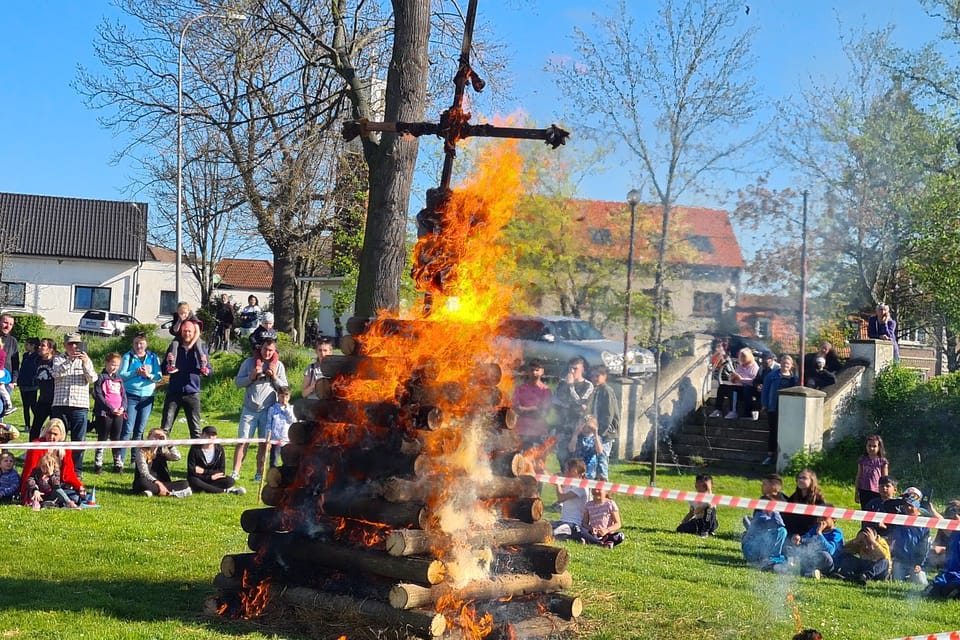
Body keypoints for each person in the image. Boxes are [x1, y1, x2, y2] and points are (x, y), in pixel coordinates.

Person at [232, 336, 287, 482]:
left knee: (264, 443)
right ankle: (235, 472)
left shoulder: (279, 366)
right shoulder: (249, 363)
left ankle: (259, 474)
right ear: (260, 348)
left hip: (268, 411)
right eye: (264, 349)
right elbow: (238, 382)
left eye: (270, 350)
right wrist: (250, 377)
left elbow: (285, 389)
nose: (267, 353)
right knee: (242, 442)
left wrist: (275, 377)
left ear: (274, 351)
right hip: (249, 410)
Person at [51, 332, 97, 476]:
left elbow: (92, 379)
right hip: (60, 404)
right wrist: (69, 361)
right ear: (65, 345)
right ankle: (57, 469)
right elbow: (56, 374)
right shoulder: (58, 358)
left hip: (80, 406)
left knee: (79, 440)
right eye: (71, 344)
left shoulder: (86, 360)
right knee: (58, 439)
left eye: (77, 343)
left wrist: (85, 363)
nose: (74, 346)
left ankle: (76, 471)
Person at [159, 320, 212, 439]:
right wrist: (168, 363)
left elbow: (209, 371)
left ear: (194, 333)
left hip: (192, 393)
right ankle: (160, 456)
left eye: (189, 331)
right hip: (174, 392)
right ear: (181, 332)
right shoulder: (174, 347)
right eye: (184, 331)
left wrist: (206, 369)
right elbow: (163, 370)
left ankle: (197, 457)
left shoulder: (201, 348)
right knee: (165, 429)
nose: (187, 333)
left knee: (196, 430)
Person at [118, 333, 163, 470]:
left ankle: (135, 459)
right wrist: (135, 372)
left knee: (140, 430)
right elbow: (121, 375)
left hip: (147, 397)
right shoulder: (128, 356)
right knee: (127, 429)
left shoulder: (153, 357)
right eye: (136, 343)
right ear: (133, 344)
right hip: (131, 395)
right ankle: (120, 460)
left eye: (141, 343)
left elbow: (158, 376)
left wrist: (148, 375)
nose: (139, 346)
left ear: (146, 344)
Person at [19, 418, 87, 506]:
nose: (51, 437)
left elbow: (69, 474)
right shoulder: (37, 446)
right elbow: (29, 472)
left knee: (76, 497)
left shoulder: (65, 449)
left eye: (55, 434)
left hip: (56, 486)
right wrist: (26, 491)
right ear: (45, 432)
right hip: (38, 486)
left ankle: (53, 501)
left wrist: (79, 487)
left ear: (61, 435)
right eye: (49, 433)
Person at [552, 356, 593, 468]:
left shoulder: (588, 385)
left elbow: (580, 403)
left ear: (582, 369)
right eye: (570, 368)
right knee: (562, 461)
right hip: (563, 428)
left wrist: (571, 386)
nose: (572, 371)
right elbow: (555, 402)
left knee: (576, 464)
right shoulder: (562, 383)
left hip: (578, 430)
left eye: (575, 369)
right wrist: (572, 405)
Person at [741, 473, 788, 570]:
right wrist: (774, 512)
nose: (761, 487)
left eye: (765, 484)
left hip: (769, 544)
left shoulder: (784, 503)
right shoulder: (763, 501)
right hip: (753, 548)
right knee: (781, 531)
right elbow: (778, 524)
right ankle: (770, 560)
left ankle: (773, 561)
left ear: (774, 488)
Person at [91, 352, 127, 474]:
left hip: (119, 413)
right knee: (102, 437)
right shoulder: (100, 378)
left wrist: (123, 408)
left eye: (117, 365)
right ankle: (98, 464)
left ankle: (117, 463)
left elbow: (123, 395)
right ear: (106, 363)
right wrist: (111, 408)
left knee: (116, 438)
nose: (114, 367)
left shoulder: (119, 379)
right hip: (104, 413)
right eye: (112, 364)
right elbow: (99, 395)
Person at [760, 354, 799, 465]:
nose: (784, 365)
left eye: (787, 363)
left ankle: (785, 455)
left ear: (791, 366)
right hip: (774, 407)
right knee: (773, 431)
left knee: (787, 432)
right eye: (782, 363)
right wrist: (764, 404)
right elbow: (765, 390)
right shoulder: (772, 376)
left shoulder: (794, 379)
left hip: (789, 410)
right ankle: (770, 455)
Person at [132, 428, 191, 498]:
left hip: (163, 482)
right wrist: (157, 483)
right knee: (142, 482)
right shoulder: (141, 451)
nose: (157, 439)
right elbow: (144, 473)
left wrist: (168, 443)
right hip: (148, 481)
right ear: (148, 438)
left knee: (185, 483)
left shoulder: (162, 451)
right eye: (155, 436)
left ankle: (152, 492)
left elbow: (177, 457)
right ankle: (170, 494)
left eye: (160, 437)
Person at [187, 425, 246, 495]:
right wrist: (209, 477)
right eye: (208, 434)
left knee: (230, 481)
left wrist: (205, 472)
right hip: (200, 478)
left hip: (214, 478)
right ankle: (226, 491)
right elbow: (192, 471)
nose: (210, 437)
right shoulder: (194, 449)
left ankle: (204, 488)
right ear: (202, 435)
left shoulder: (219, 449)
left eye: (213, 435)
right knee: (193, 481)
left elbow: (221, 471)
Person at [784, 513, 844, 579]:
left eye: (824, 517)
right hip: (812, 557)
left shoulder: (836, 533)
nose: (820, 520)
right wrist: (799, 539)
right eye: (819, 517)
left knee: (824, 555)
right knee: (789, 548)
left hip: (828, 562)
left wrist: (819, 534)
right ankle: (791, 566)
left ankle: (817, 573)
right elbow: (806, 538)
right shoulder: (815, 528)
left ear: (834, 519)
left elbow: (830, 550)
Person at [889, 493, 930, 585]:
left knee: (922, 583)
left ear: (917, 507)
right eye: (906, 505)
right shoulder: (900, 518)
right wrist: (901, 500)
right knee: (897, 581)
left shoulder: (923, 523)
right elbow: (887, 505)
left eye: (911, 506)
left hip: (915, 563)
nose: (908, 508)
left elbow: (924, 546)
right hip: (900, 561)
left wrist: (919, 564)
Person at [512, 359, 552, 450]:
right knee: (520, 460)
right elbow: (516, 409)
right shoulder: (520, 389)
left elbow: (544, 412)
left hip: (539, 432)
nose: (534, 372)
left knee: (537, 462)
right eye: (532, 370)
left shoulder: (546, 390)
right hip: (522, 431)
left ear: (542, 371)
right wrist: (535, 409)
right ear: (528, 371)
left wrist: (524, 410)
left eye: (537, 370)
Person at [588, 364, 620, 479]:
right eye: (592, 376)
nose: (594, 378)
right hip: (596, 431)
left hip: (605, 433)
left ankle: (603, 489)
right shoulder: (597, 390)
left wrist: (601, 433)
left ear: (605, 376)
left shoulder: (607, 391)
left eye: (597, 376)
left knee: (602, 460)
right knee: (594, 461)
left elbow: (608, 414)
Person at [710, 348, 759, 419]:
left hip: (747, 389)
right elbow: (735, 375)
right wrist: (732, 378)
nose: (742, 361)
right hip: (738, 386)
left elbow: (754, 381)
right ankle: (718, 410)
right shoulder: (740, 366)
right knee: (722, 387)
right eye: (741, 358)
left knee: (734, 390)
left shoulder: (754, 367)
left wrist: (742, 379)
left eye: (744, 359)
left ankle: (733, 411)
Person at [782, 469, 827, 537]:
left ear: (812, 481)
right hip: (793, 532)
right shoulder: (795, 496)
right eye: (799, 478)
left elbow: (821, 520)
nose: (800, 480)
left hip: (810, 533)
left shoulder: (818, 499)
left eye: (804, 478)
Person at [551, 457, 588, 541]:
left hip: (574, 524)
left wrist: (557, 484)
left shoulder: (580, 487)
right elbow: (552, 481)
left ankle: (571, 537)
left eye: (569, 469)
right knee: (545, 525)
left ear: (575, 472)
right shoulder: (569, 483)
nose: (566, 471)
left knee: (554, 532)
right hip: (563, 521)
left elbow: (561, 498)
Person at [30, 338, 57, 441]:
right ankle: (31, 451)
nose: (40, 347)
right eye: (40, 345)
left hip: (54, 401)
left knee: (53, 428)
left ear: (50, 349)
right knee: (35, 427)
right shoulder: (38, 361)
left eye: (43, 345)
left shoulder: (55, 362)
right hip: (42, 400)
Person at [165, 302, 202, 374]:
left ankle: (203, 365)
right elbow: (175, 330)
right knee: (174, 344)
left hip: (194, 337)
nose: (183, 315)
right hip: (180, 336)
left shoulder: (192, 317)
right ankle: (172, 364)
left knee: (198, 345)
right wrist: (179, 321)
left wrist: (191, 344)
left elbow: (197, 332)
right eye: (180, 313)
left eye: (184, 313)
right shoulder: (177, 317)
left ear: (189, 311)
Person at [854, 434, 889, 510]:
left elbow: (885, 479)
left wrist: (885, 493)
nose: (871, 448)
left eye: (874, 446)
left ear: (879, 447)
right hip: (864, 490)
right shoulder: (862, 460)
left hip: (877, 491)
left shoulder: (882, 461)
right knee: (865, 510)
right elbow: (859, 476)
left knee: (877, 511)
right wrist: (856, 491)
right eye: (869, 446)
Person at [267, 386, 295, 469]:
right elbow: (268, 425)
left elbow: (293, 420)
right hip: (275, 440)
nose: (284, 399)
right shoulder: (272, 409)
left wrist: (287, 409)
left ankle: (285, 478)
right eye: (282, 396)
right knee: (273, 461)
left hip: (287, 440)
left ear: (289, 397)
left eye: (286, 397)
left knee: (287, 462)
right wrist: (268, 440)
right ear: (278, 396)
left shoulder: (291, 409)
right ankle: (272, 478)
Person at [928, 500, 960, 572]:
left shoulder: (955, 529)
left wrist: (933, 512)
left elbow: (945, 526)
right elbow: (936, 544)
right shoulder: (943, 527)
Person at [568, 415, 603, 479]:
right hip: (576, 470)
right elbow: (571, 449)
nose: (586, 429)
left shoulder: (596, 438)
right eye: (584, 427)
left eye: (589, 427)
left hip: (590, 471)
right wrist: (576, 433)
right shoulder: (577, 436)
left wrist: (595, 434)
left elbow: (600, 452)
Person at [18, 337, 40, 426]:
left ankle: (37, 423)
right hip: (23, 384)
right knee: (25, 406)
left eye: (27, 344)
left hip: (32, 385)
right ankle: (27, 425)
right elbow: (22, 368)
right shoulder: (25, 355)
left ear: (32, 345)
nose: (25, 346)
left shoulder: (37, 357)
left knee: (33, 406)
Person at [0, 314, 20, 395]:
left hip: (7, 381)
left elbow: (15, 362)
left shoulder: (13, 341)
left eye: (11, 324)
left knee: (4, 406)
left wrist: (14, 381)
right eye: (5, 323)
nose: (8, 326)